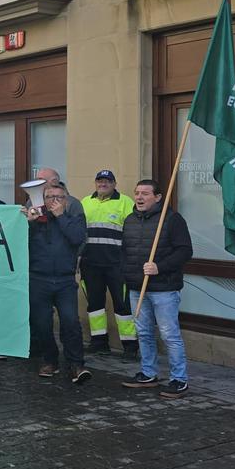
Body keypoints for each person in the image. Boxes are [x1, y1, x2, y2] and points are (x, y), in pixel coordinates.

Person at [120, 179, 193, 399]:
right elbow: (125, 252)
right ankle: (148, 373)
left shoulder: (172, 220)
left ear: (158, 197)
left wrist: (159, 267)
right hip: (136, 287)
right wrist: (127, 276)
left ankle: (179, 379)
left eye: (145, 193)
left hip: (164, 289)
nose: (139, 197)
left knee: (169, 334)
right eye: (137, 193)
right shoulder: (130, 220)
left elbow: (184, 251)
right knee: (143, 332)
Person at [28, 183, 91, 384]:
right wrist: (29, 223)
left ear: (66, 200)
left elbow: (77, 238)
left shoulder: (74, 219)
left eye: (59, 197)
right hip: (39, 279)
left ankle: (76, 364)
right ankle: (50, 360)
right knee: (41, 324)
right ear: (43, 200)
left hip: (64, 280)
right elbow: (20, 243)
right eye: (49, 197)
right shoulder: (36, 220)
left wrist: (61, 216)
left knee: (70, 322)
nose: (54, 200)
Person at [80, 170, 138, 357]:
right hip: (90, 264)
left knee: (123, 306)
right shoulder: (85, 202)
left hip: (117, 265)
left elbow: (134, 233)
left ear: (114, 183)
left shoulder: (126, 202)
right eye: (100, 181)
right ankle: (99, 342)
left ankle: (130, 346)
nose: (103, 184)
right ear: (95, 183)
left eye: (107, 181)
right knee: (94, 305)